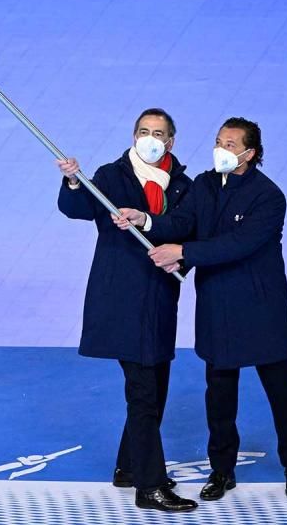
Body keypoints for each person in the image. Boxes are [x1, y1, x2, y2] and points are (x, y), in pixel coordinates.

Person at [116, 117, 287, 500]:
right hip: (217, 307)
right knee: (219, 395)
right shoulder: (204, 185)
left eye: (231, 144)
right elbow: (183, 222)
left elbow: (238, 244)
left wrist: (184, 254)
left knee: (281, 390)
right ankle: (222, 471)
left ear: (250, 153)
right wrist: (147, 220)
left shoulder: (269, 197)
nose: (221, 149)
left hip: (261, 310)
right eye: (219, 141)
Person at [57, 108, 196, 513]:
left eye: (158, 133)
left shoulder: (184, 186)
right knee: (144, 390)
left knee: (155, 386)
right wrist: (72, 179)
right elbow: (77, 208)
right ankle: (149, 486)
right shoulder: (111, 176)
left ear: (170, 141)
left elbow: (188, 231)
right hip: (120, 300)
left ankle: (129, 467)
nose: (149, 138)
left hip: (159, 300)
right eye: (142, 131)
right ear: (133, 135)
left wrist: (176, 253)